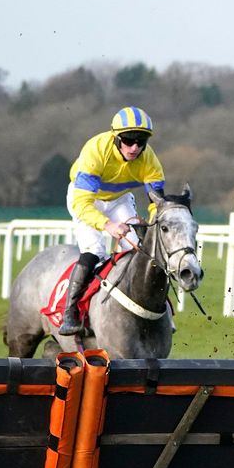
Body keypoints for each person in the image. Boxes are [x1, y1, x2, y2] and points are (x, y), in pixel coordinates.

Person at [58, 106, 166, 336]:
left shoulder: (149, 159)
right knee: (94, 251)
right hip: (86, 199)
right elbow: (82, 204)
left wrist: (152, 224)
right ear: (116, 137)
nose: (134, 147)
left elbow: (157, 204)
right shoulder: (96, 150)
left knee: (139, 250)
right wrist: (108, 225)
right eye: (128, 140)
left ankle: (155, 308)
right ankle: (70, 313)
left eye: (141, 141)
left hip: (119, 200)